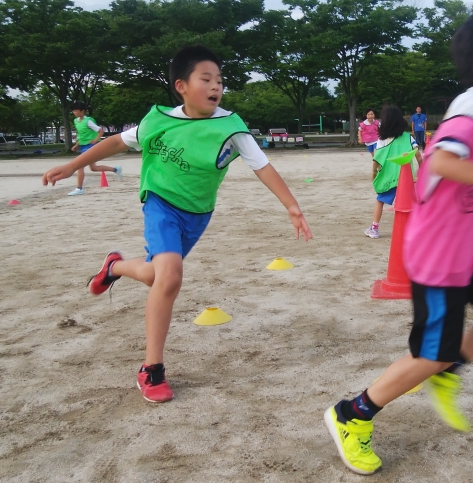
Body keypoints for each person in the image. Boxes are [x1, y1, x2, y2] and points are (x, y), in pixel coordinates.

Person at [324, 10, 473, 475]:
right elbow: (443, 164)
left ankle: (451, 367)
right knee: (429, 354)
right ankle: (351, 414)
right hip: (437, 258)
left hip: (467, 251)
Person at [42, 45, 312, 402]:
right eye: (206, 79)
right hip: (160, 203)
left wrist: (291, 206)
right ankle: (151, 369)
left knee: (157, 275)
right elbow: (115, 142)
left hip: (198, 213)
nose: (216, 86)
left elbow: (261, 165)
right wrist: (74, 165)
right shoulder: (159, 120)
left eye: (219, 80)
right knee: (170, 277)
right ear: (181, 85)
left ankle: (115, 266)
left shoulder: (231, 127)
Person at [365, 105, 421, 239]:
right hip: (406, 178)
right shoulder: (408, 138)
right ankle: (416, 229)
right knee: (411, 204)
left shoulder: (382, 140)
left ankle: (374, 228)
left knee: (380, 201)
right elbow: (418, 156)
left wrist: (373, 174)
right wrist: (421, 173)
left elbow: (377, 159)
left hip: (388, 178)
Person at [67, 102, 122, 196]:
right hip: (83, 145)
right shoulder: (76, 121)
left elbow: (100, 131)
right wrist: (76, 144)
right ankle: (115, 169)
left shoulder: (88, 121)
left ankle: (79, 188)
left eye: (76, 110)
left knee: (80, 166)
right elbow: (82, 135)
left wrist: (95, 140)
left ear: (82, 111)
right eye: (73, 110)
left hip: (90, 146)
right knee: (93, 168)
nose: (74, 112)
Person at [358, 109, 381, 180]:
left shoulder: (377, 123)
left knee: (376, 154)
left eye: (372, 114)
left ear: (374, 115)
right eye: (369, 114)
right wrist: (360, 139)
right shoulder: (363, 124)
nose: (370, 116)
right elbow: (359, 131)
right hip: (368, 142)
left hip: (376, 140)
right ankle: (378, 168)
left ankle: (378, 171)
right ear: (366, 116)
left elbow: (381, 129)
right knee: (374, 156)